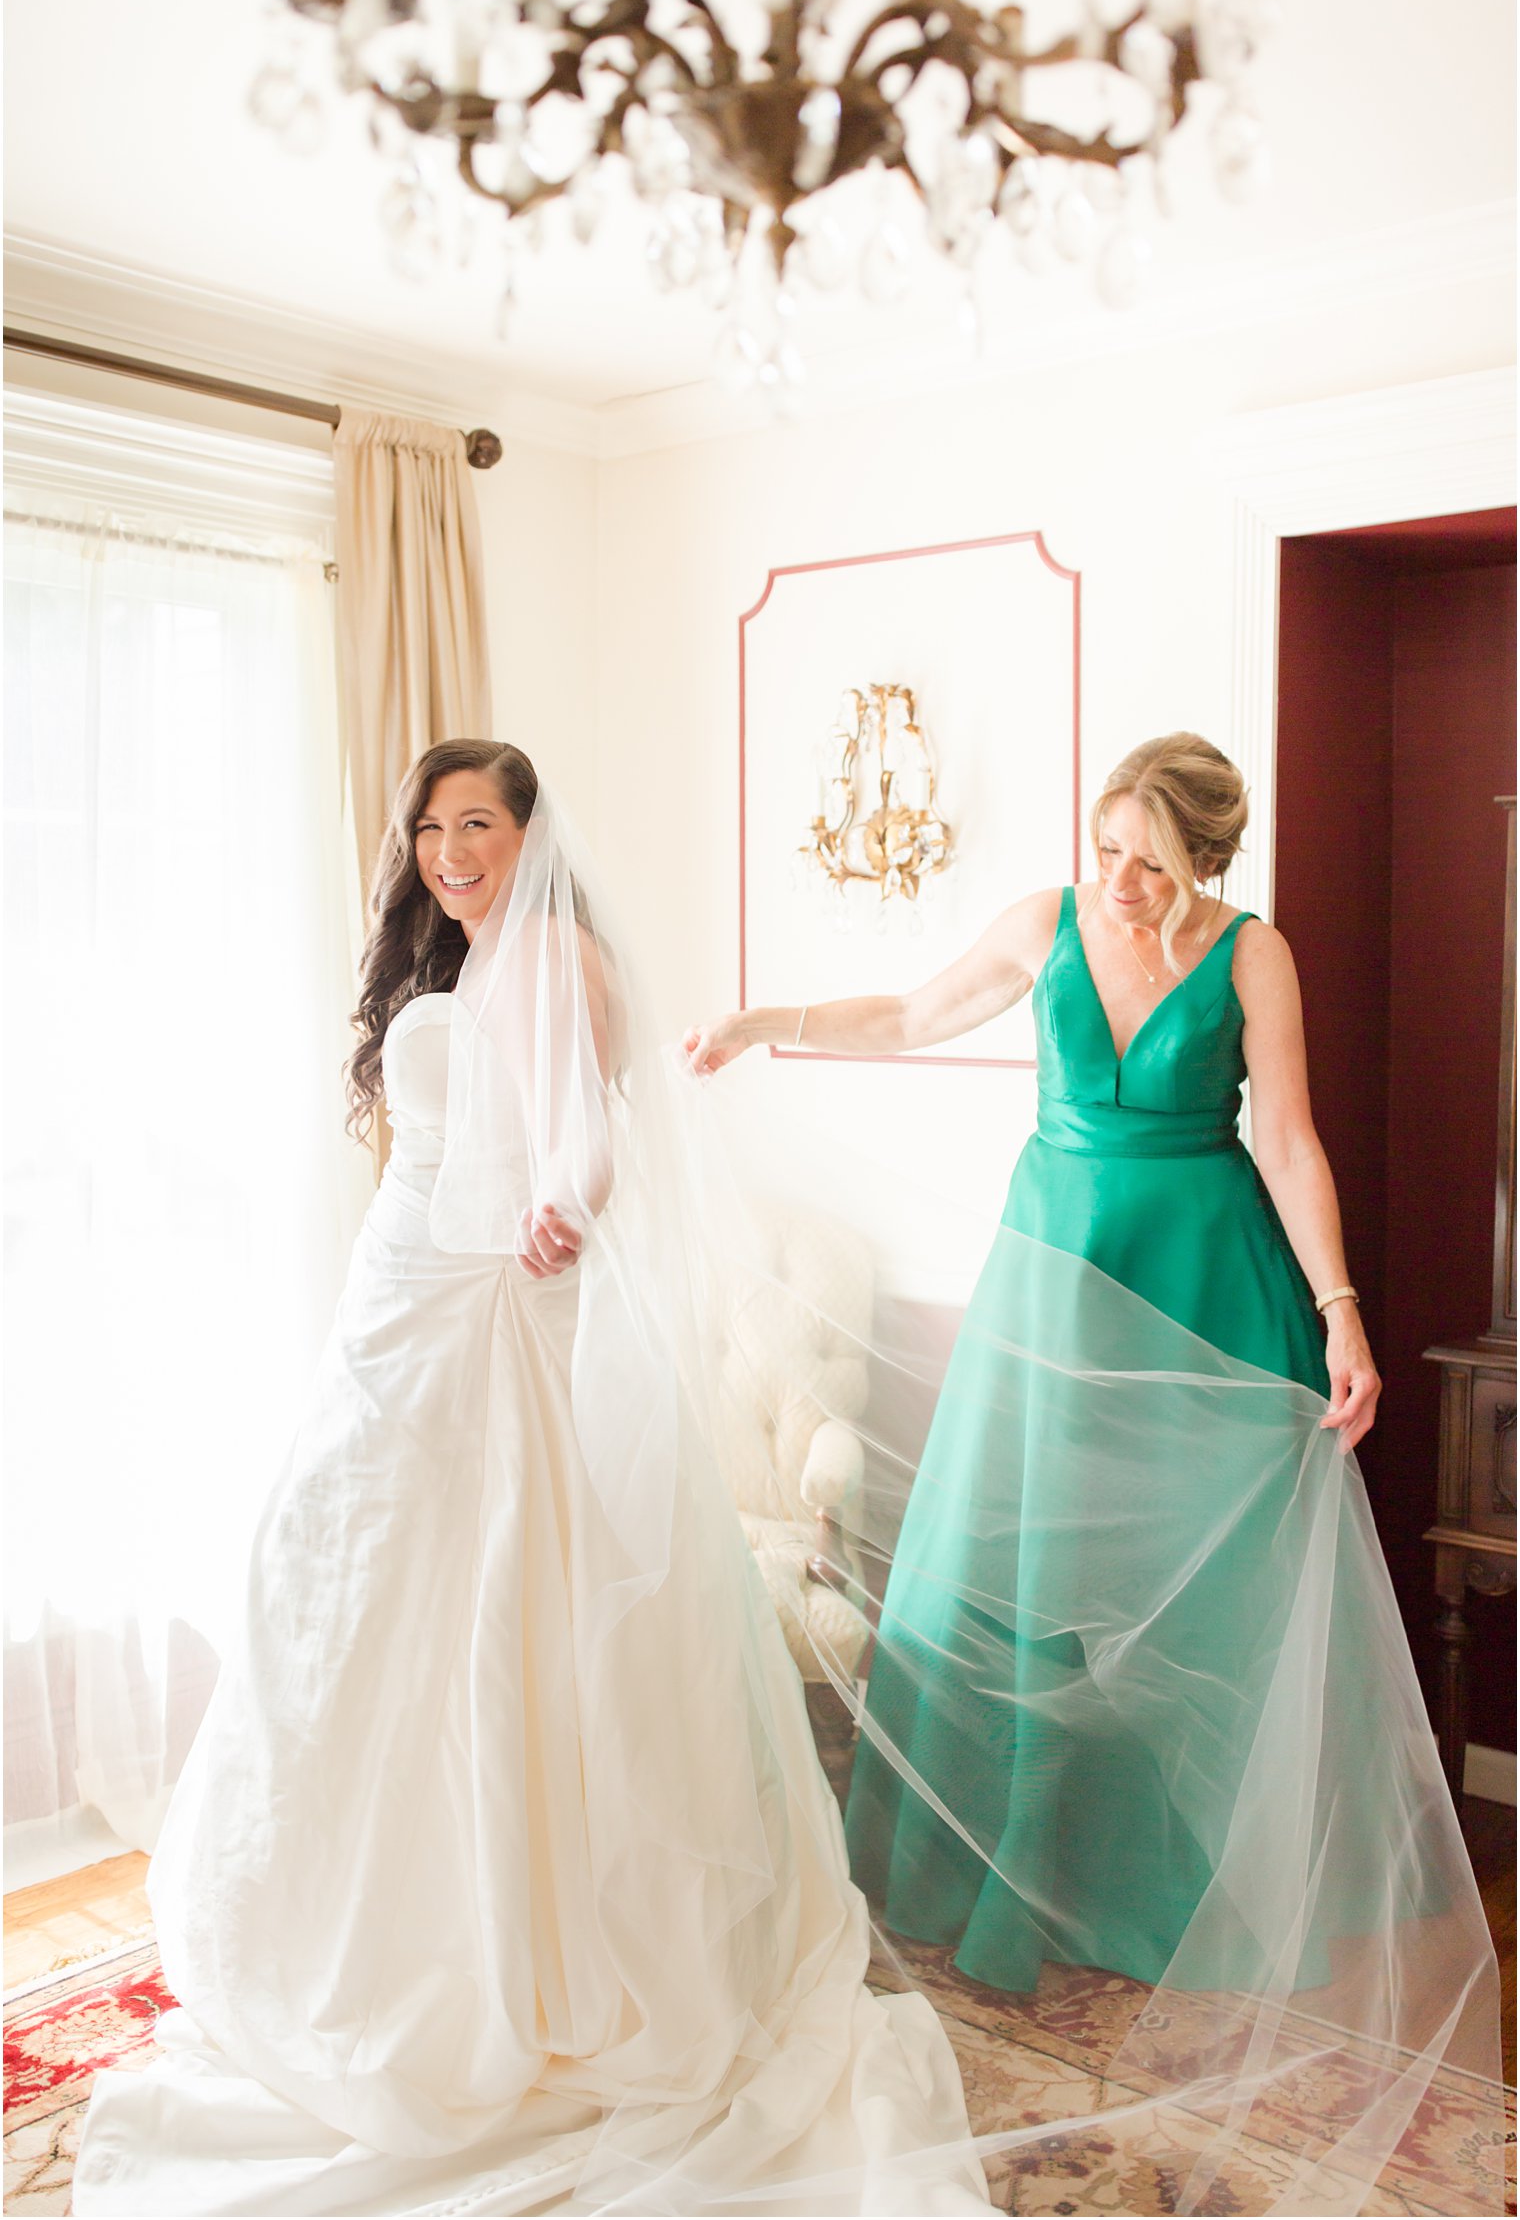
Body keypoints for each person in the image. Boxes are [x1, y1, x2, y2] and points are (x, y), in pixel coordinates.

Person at [71, 738, 989, 2219]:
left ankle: (511, 1954)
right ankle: (361, 1937)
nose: (448, 848)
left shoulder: (552, 947)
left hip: (492, 1301)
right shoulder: (465, 950)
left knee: (497, 1614)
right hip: (400, 1300)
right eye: (431, 826)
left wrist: (560, 1204)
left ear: (527, 831)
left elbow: (582, 1130)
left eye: (476, 822)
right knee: (355, 1600)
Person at [685, 732, 1502, 2212]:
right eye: (1106, 843)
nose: (1118, 877)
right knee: (1013, 1587)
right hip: (1052, 1287)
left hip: (1203, 1286)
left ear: (1205, 861)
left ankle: (1187, 1898)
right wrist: (764, 1019)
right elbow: (918, 1009)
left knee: (1200, 1614)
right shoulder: (1051, 920)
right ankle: (997, 1888)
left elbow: (1295, 1145)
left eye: (1149, 858)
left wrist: (1340, 1313)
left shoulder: (1256, 960)